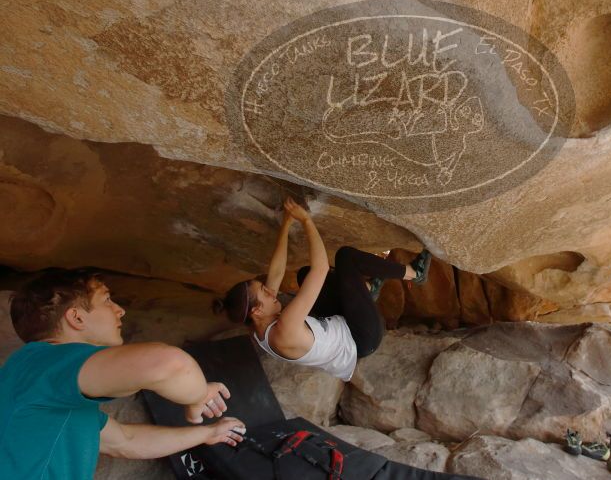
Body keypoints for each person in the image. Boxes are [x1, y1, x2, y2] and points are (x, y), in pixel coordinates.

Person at [0, 269, 247, 479]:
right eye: (107, 300)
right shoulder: (44, 365)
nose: (120, 310)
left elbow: (125, 441)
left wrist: (209, 433)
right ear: (76, 317)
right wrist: (199, 396)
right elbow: (168, 364)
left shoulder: (38, 380)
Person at [216, 196, 431, 381]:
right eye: (264, 291)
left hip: (339, 323)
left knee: (302, 275)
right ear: (257, 310)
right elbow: (320, 269)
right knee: (346, 257)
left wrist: (287, 223)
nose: (271, 291)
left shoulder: (259, 325)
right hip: (361, 337)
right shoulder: (284, 330)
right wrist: (307, 221)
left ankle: (366, 288)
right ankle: (414, 273)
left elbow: (276, 273)